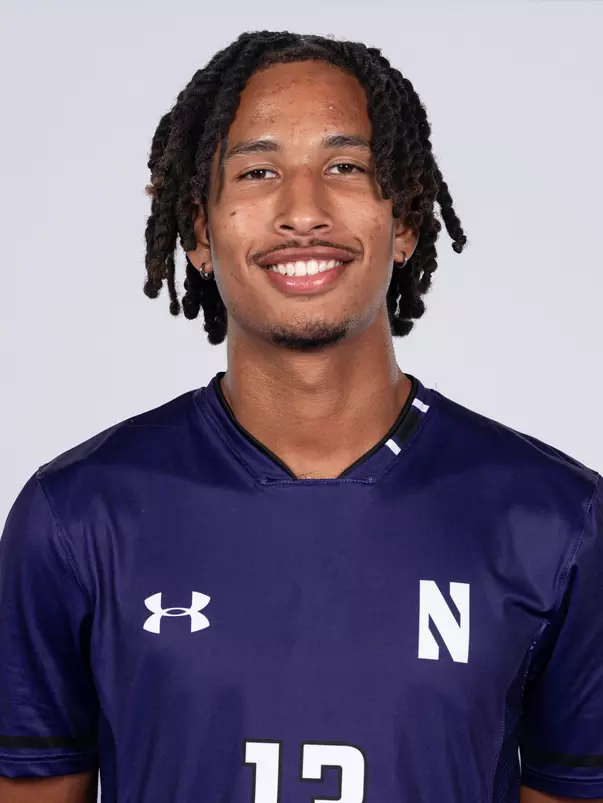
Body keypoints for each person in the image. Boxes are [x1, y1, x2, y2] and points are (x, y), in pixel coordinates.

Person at [0, 30, 601, 803]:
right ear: (198, 232)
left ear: (405, 220)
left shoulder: (554, 519)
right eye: (258, 171)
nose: (302, 211)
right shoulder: (77, 515)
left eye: (344, 167)